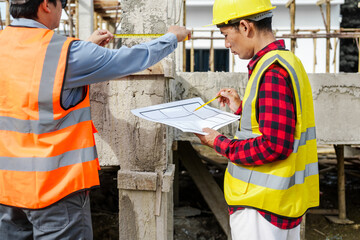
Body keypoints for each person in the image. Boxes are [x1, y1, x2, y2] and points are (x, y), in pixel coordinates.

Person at [0, 0, 190, 239]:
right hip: (55, 192)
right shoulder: (65, 52)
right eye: (63, 4)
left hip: (6, 190)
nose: (63, 11)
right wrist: (171, 37)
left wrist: (85, 49)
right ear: (47, 5)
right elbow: (129, 59)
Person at [194, 0, 319, 239]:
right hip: (280, 201)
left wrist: (217, 141)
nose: (226, 44)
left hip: (261, 206)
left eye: (225, 34)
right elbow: (284, 123)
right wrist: (242, 108)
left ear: (244, 26)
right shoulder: (287, 61)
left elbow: (274, 145)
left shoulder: (271, 71)